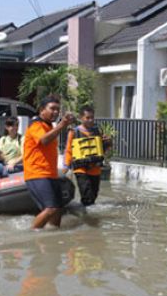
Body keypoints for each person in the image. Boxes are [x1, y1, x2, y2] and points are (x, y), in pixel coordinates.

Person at [23, 96, 75, 230]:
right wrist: (62, 125)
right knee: (50, 209)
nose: (56, 112)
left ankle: (52, 239)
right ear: (41, 110)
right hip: (37, 174)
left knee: (58, 209)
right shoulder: (35, 124)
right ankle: (30, 235)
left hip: (51, 174)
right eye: (52, 109)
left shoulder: (48, 126)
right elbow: (44, 140)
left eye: (58, 109)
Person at [63, 105, 111, 206]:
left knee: (93, 196)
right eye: (87, 118)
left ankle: (87, 215)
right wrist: (66, 166)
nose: (90, 120)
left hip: (95, 169)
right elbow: (68, 150)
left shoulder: (98, 131)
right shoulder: (73, 132)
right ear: (81, 118)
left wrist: (108, 142)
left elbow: (104, 149)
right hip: (80, 168)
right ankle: (87, 218)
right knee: (87, 195)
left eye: (92, 117)